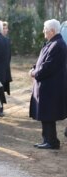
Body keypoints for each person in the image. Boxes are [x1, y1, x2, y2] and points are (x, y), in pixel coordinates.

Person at [30, 19, 67, 149]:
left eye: (45, 29)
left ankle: (51, 141)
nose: (43, 31)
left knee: (48, 115)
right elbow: (42, 61)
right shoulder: (52, 43)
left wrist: (34, 73)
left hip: (51, 87)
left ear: (52, 31)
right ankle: (48, 140)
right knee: (46, 115)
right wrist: (34, 68)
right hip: (47, 86)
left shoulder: (58, 45)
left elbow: (48, 67)